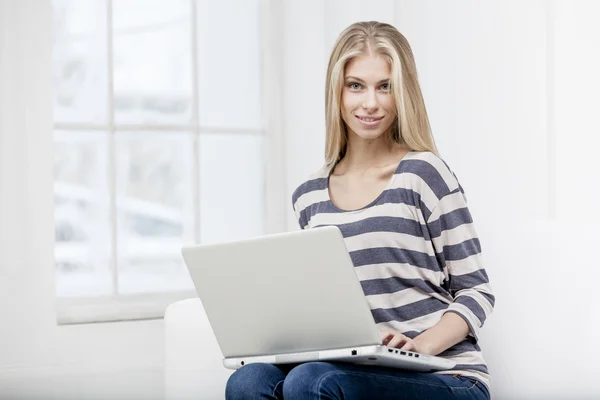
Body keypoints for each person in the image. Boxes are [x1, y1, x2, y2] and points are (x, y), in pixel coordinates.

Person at [226, 21, 494, 400]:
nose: (371, 103)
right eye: (356, 85)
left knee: (312, 382)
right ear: (337, 92)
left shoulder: (423, 174)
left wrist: (419, 347)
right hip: (354, 371)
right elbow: (325, 304)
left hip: (445, 377)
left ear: (403, 94)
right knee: (248, 380)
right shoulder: (309, 197)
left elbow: (476, 290)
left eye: (385, 86)